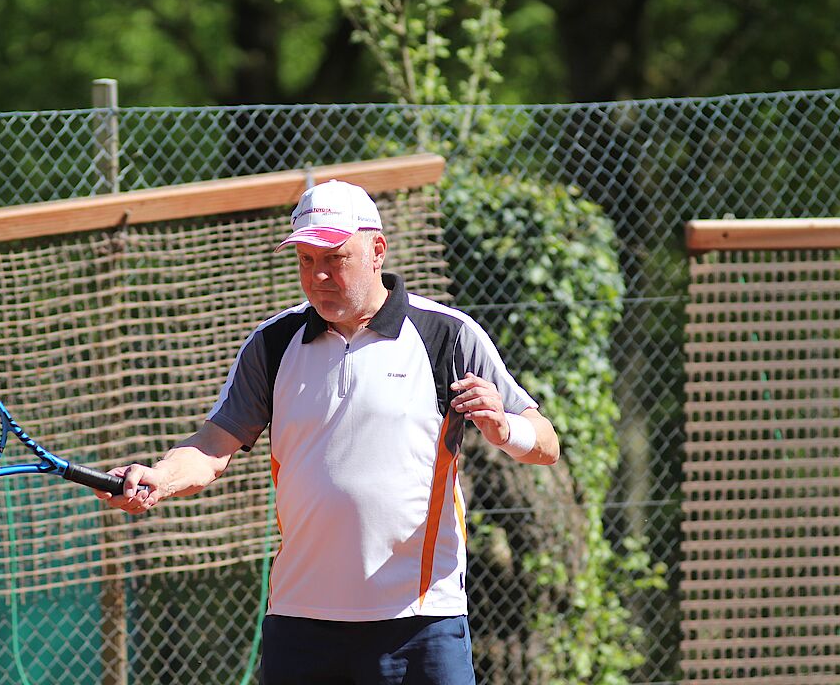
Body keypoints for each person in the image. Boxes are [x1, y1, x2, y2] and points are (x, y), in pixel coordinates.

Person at [99, 179, 560, 684]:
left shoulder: (446, 334)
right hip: (300, 623)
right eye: (305, 260)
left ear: (377, 251)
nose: (318, 276)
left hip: (420, 621)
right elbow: (213, 446)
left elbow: (546, 443)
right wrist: (160, 478)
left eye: (335, 259)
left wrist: (504, 430)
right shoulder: (273, 344)